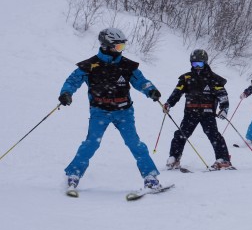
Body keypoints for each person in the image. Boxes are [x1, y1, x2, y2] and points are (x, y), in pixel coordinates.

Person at [59, 28, 163, 190]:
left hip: (124, 111)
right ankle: (74, 174)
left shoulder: (127, 66)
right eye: (118, 47)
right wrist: (66, 93)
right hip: (99, 111)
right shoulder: (90, 65)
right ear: (107, 46)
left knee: (134, 143)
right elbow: (72, 81)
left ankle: (150, 176)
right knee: (91, 143)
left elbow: (142, 81)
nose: (121, 50)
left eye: (123, 46)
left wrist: (151, 90)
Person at [164, 49, 233, 171]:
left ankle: (223, 159)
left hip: (207, 113)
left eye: (199, 64)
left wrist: (224, 108)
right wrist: (169, 103)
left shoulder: (213, 78)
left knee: (213, 135)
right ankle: (174, 158)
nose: (197, 67)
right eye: (194, 64)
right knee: (180, 134)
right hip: (190, 113)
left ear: (205, 63)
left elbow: (222, 95)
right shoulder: (186, 78)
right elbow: (177, 92)